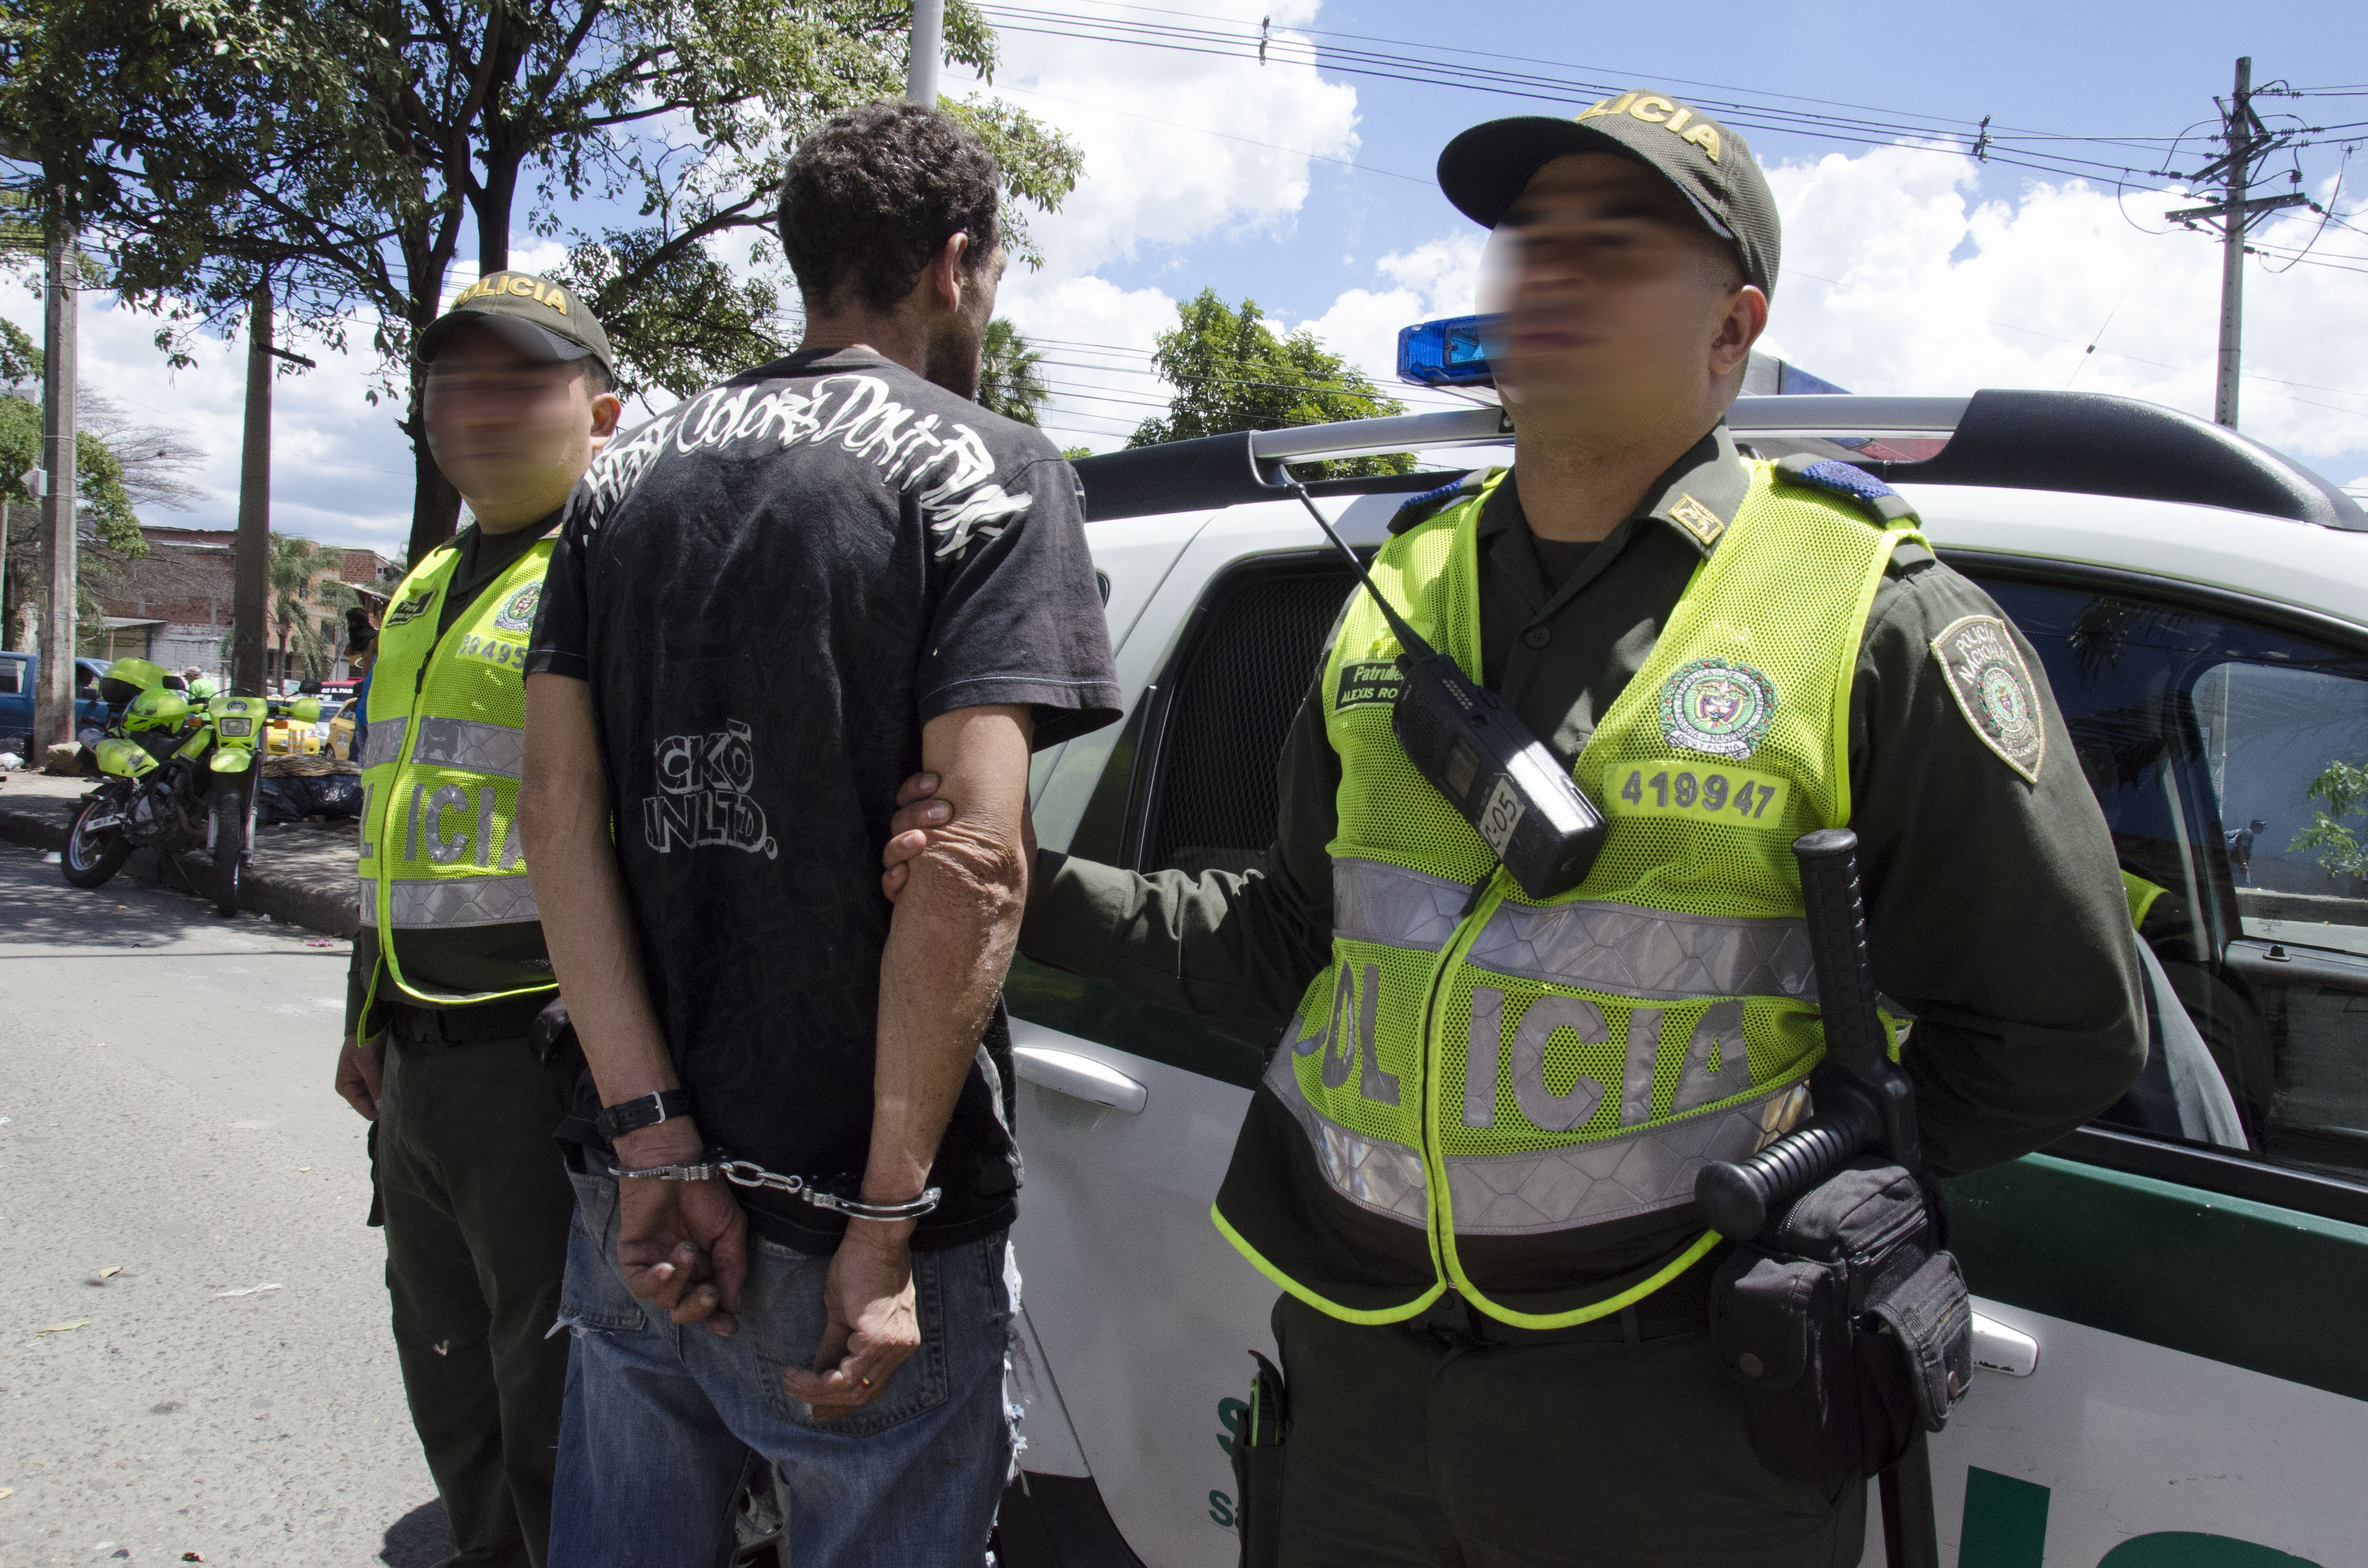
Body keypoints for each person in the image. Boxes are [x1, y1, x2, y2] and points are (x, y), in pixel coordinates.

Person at [883, 93, 2147, 1565]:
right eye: (1527, 239)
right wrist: (1021, 881)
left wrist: (1822, 1187)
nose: (1547, 274)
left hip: (1673, 1415)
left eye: (1613, 246)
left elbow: (2063, 1026)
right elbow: (1288, 943)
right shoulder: (1393, 585)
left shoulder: (1873, 614)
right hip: (1358, 1374)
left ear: (1732, 330)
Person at [517, 102, 1120, 1568]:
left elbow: (555, 813)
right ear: (955, 265)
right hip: (852, 1222)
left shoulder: (621, 480)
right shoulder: (991, 469)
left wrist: (655, 1146)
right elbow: (973, 870)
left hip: (646, 1207)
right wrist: (885, 1225)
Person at [333, 271, 623, 1568]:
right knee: (449, 1385)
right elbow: (395, 816)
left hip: (540, 1067)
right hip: (417, 1065)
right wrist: (365, 1007)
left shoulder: (616, 574)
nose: (481, 410)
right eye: (457, 382)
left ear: (602, 413)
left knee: (557, 1411)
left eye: (521, 381)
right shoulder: (426, 584)